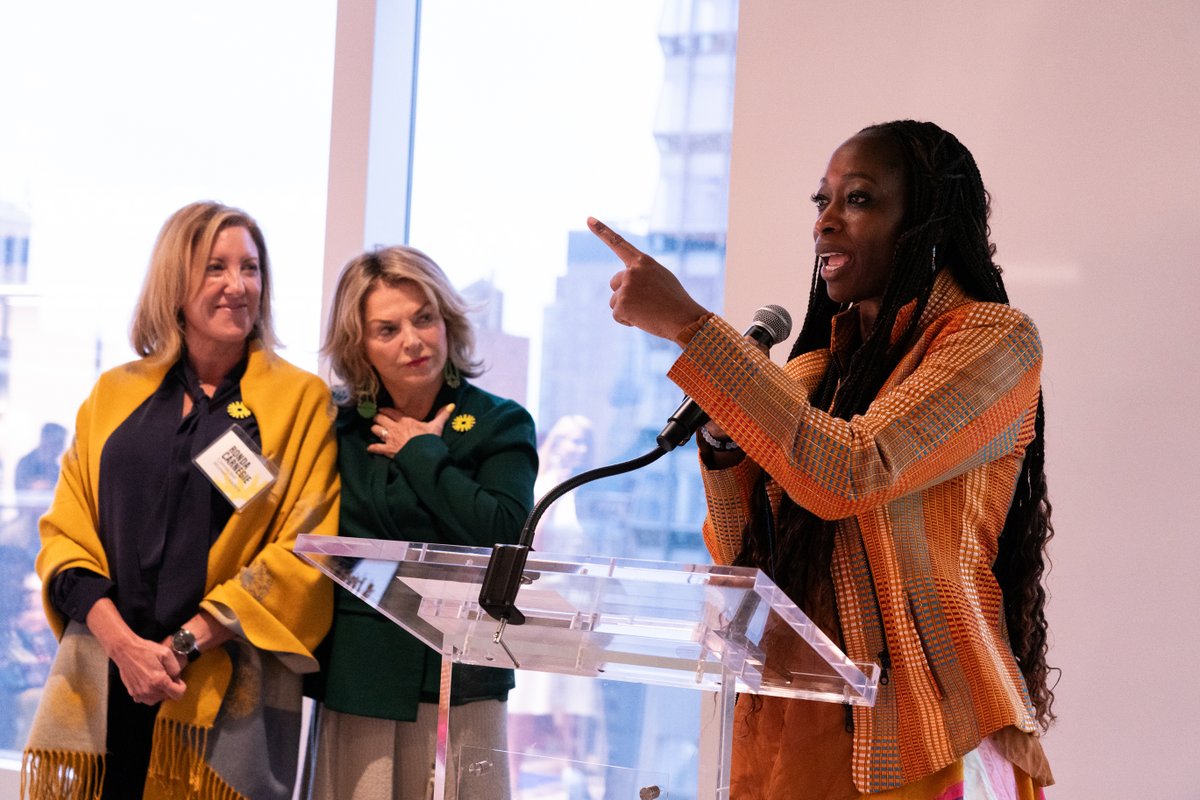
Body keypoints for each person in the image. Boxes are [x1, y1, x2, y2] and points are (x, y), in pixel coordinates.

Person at [588, 120, 1055, 799]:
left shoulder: (992, 340)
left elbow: (854, 472)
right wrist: (724, 443)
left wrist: (691, 327)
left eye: (858, 199)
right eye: (822, 201)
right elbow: (742, 557)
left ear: (925, 221)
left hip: (921, 729)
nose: (825, 222)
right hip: (791, 722)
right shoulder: (814, 371)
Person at [23, 201, 340, 800]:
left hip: (215, 689)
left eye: (250, 268)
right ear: (175, 280)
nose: (237, 285)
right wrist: (124, 646)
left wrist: (180, 646)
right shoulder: (114, 392)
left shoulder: (300, 400)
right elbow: (65, 531)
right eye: (215, 268)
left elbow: (306, 551)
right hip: (108, 672)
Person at [309, 245, 538, 800]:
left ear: (447, 321)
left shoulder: (500, 422)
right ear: (359, 345)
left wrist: (421, 453)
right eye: (387, 330)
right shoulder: (336, 426)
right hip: (361, 676)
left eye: (424, 318)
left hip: (463, 677)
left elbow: (503, 533)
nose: (412, 340)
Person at [506, 414, 602, 798]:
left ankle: (574, 780)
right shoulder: (536, 485)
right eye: (567, 439)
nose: (573, 448)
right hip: (536, 600)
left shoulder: (593, 494)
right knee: (526, 696)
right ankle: (512, 782)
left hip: (576, 603)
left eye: (581, 441)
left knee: (571, 701)